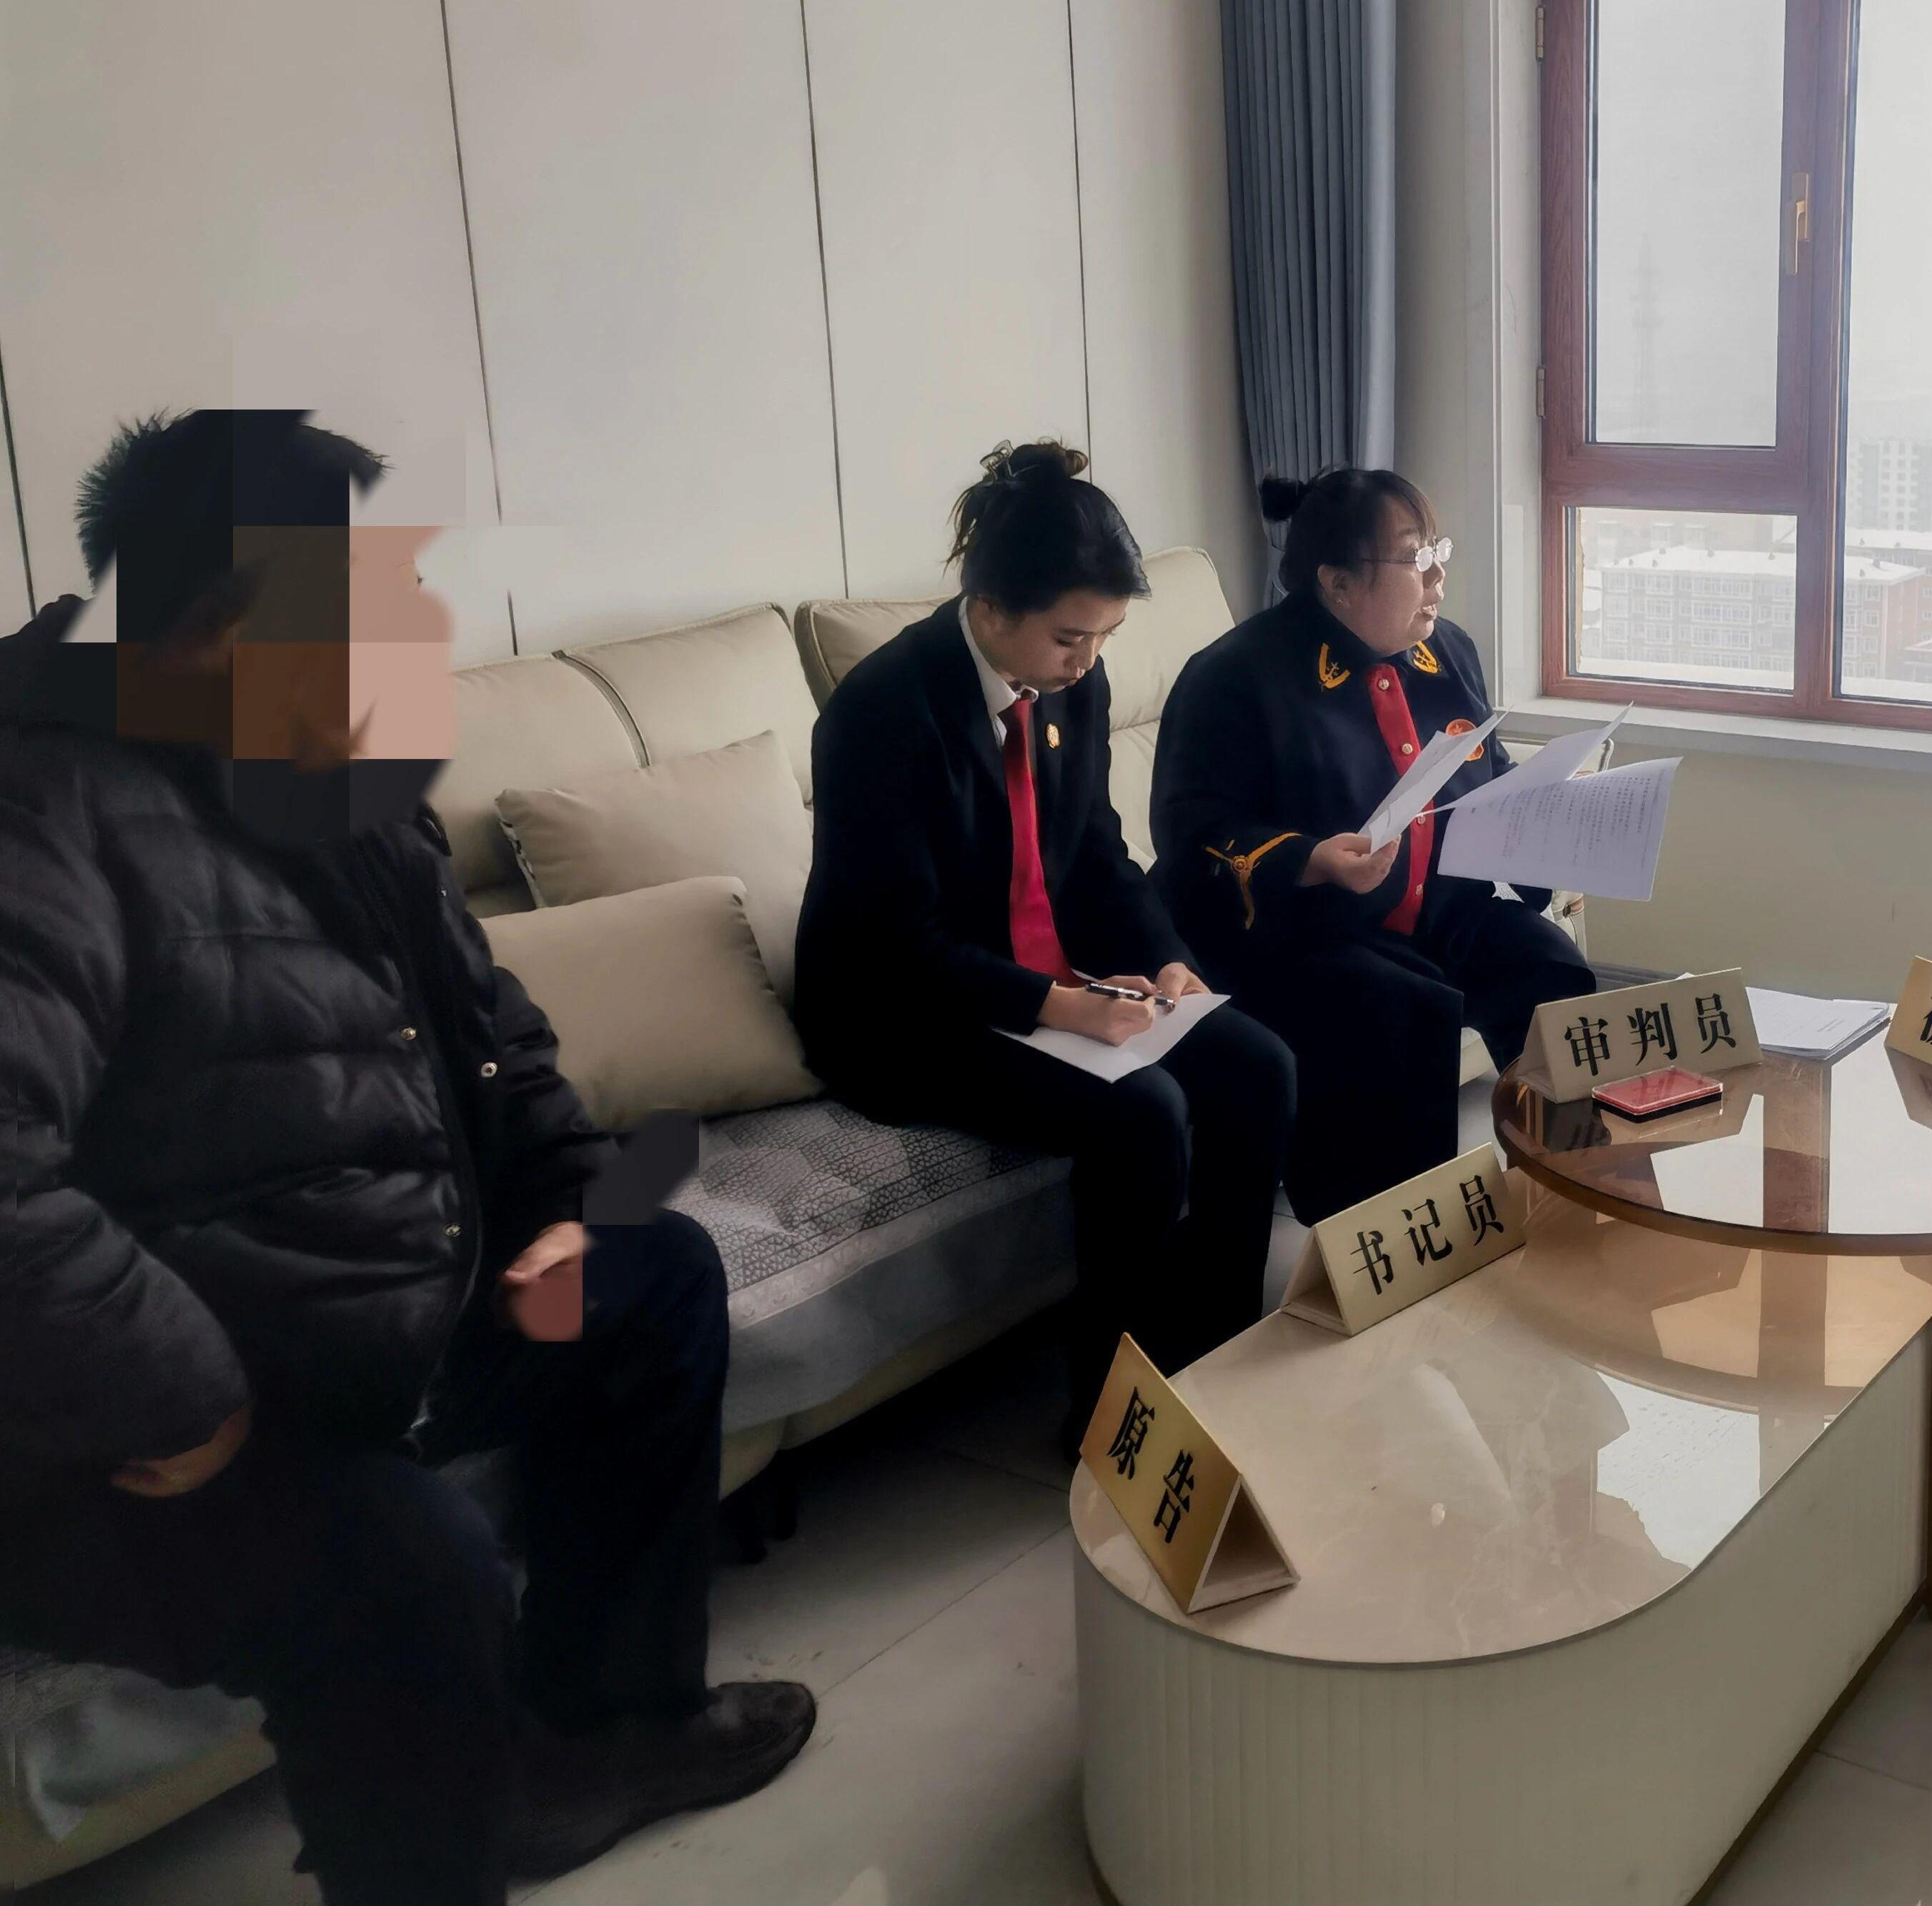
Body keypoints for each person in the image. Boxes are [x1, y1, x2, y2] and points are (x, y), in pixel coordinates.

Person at [0, 410, 813, 1905]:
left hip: (369, 1313)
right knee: (410, 1566)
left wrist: (555, 1201)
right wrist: (181, 1394)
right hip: (145, 1423)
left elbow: (489, 1029)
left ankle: (609, 1728)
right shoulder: (44, 814)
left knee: (648, 1279)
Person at [793, 441, 1295, 1423]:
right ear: (989, 611)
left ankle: (1218, 1349)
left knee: (1257, 1065)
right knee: (1142, 1112)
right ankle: (1110, 1415)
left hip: (1039, 970)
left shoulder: (1072, 683)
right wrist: (1061, 1006)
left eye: (1105, 636)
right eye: (1071, 637)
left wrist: (1168, 961)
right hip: (906, 1011)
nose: (1090, 660)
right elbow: (897, 939)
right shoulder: (881, 713)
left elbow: (1096, 852)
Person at [1150, 467, 1598, 1221]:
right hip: (1310, 933)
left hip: (1439, 912)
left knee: (1549, 967)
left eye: (1438, 551)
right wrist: (1307, 859)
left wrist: (1549, 809)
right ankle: (1396, 1242)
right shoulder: (1234, 677)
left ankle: (1564, 1198)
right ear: (1337, 583)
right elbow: (1190, 830)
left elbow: (1487, 771)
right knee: (1400, 1009)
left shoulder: (1446, 650)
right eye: (1416, 558)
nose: (1439, 578)